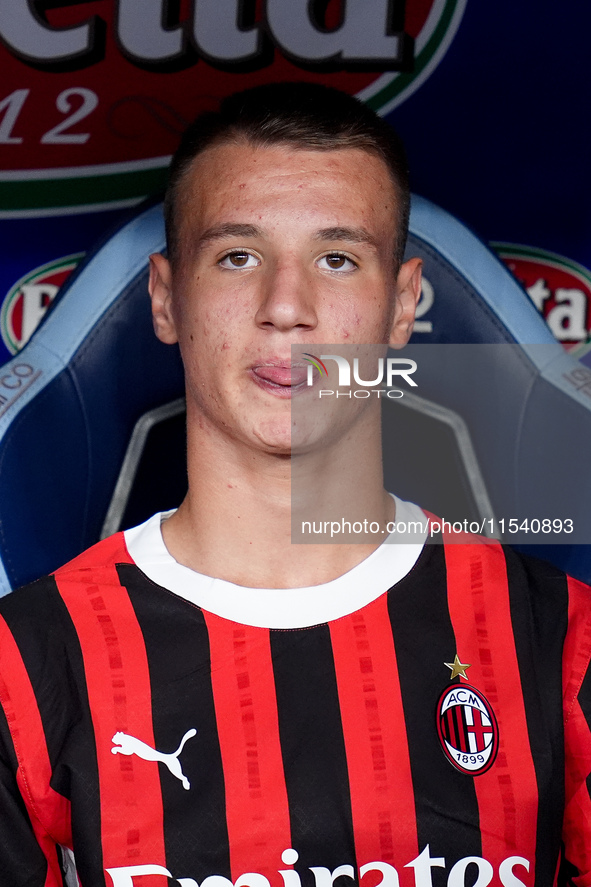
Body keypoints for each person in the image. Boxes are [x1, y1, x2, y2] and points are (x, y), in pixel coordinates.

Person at [0, 82, 589, 887]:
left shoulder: (560, 638)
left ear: (401, 303)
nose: (287, 307)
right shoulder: (22, 662)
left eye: (336, 258)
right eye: (238, 255)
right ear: (167, 298)